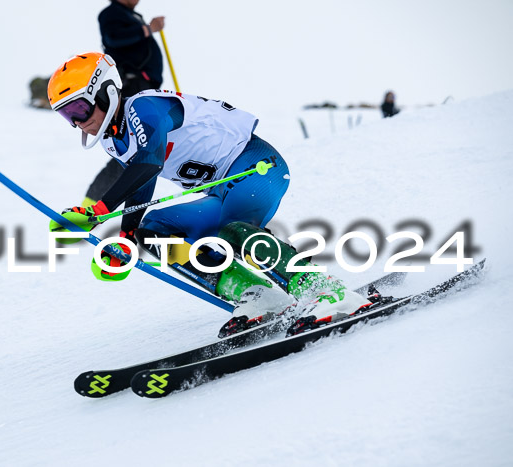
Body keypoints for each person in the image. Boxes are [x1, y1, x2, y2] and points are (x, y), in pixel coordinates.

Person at [47, 52, 370, 336]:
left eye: (79, 108)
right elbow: (143, 182)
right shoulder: (113, 139)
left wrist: (99, 209)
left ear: (106, 91)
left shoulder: (145, 107)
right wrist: (128, 236)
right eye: (67, 116)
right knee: (155, 232)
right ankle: (258, 296)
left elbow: (148, 162)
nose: (78, 122)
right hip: (220, 191)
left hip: (255, 167)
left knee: (235, 232)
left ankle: (325, 290)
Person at [82, 0, 166, 207]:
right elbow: (114, 38)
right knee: (130, 150)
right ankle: (92, 205)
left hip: (142, 87)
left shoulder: (131, 16)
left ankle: (96, 204)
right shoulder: (111, 13)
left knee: (139, 148)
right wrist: (148, 29)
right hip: (129, 85)